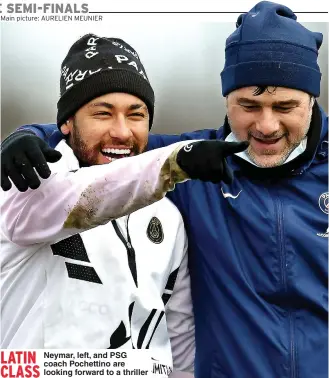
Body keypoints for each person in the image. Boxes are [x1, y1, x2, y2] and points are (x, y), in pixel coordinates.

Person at [1, 1, 328, 377]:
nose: (266, 125)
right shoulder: (193, 166)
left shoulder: (176, 173)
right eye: (249, 105)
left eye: (285, 105)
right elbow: (102, 155)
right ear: (226, 101)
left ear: (311, 99)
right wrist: (26, 135)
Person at [0, 34, 247, 377]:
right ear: (67, 123)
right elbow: (86, 196)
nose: (122, 132)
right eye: (103, 113)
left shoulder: (168, 216)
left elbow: (177, 336)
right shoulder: (27, 186)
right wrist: (175, 163)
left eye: (136, 114)